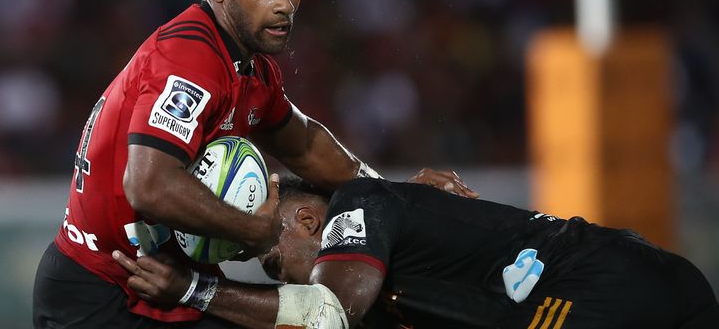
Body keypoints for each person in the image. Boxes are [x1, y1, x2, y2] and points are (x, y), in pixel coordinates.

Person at [31, 0, 475, 329]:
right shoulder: (190, 59)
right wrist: (254, 231)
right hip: (98, 296)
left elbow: (306, 146)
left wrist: (393, 198)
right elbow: (148, 185)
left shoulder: (252, 70)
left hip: (166, 288)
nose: (285, 4)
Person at [115, 176, 719, 329]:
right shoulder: (384, 285)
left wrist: (193, 290)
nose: (280, 279)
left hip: (604, 281)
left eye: (275, 262)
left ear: (307, 219)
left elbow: (322, 315)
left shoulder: (356, 205)